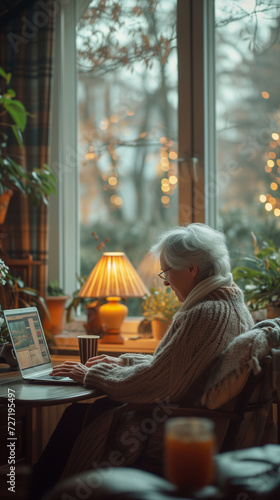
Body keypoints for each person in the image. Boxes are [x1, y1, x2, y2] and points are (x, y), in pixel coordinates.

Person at [31, 223, 254, 498]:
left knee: (82, 415)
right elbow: (174, 365)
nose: (164, 281)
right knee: (81, 415)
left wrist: (93, 374)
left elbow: (162, 384)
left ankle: (43, 492)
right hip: (187, 415)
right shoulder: (230, 305)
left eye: (166, 271)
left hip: (176, 425)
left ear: (191, 269)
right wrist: (121, 363)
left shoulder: (206, 313)